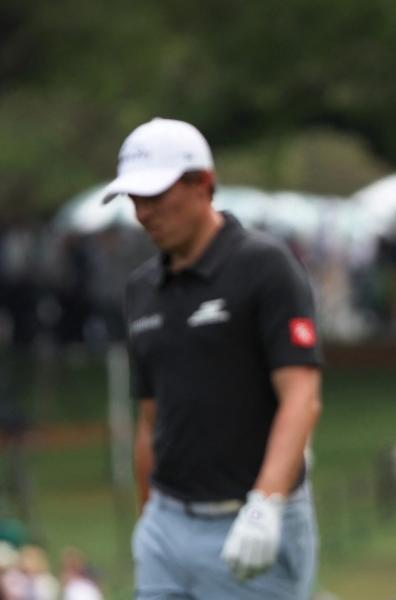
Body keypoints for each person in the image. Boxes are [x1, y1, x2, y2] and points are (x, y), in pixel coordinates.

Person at [104, 118, 323, 599]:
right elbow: (150, 419)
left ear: (203, 184)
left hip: (251, 522)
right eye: (134, 199)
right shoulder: (141, 288)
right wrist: (147, 521)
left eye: (156, 196)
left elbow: (301, 396)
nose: (142, 213)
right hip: (167, 527)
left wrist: (266, 502)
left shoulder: (265, 266)